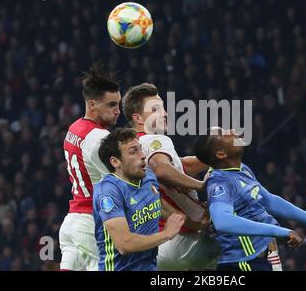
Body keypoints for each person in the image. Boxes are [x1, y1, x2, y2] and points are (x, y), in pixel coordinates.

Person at [193, 127, 306, 271]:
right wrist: (281, 232)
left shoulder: (242, 169)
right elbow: (222, 221)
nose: (232, 130)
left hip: (258, 259)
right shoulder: (219, 182)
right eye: (224, 134)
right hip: (241, 263)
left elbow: (270, 201)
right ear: (221, 153)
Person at [122, 83, 220, 270]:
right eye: (155, 109)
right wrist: (201, 185)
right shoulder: (156, 140)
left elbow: (182, 166)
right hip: (185, 240)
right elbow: (163, 170)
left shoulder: (133, 149)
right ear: (138, 118)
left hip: (155, 245)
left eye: (163, 107)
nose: (164, 113)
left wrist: (216, 153)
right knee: (255, 241)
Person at [93, 128, 184, 271]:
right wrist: (166, 234)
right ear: (115, 162)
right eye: (133, 151)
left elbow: (156, 205)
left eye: (141, 149)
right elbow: (124, 244)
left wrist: (184, 219)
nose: (143, 156)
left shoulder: (148, 177)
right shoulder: (108, 191)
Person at [59, 63, 121, 271]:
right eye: (111, 105)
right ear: (92, 105)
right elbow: (123, 182)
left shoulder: (74, 128)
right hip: (92, 225)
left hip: (71, 223)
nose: (118, 111)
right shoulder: (100, 138)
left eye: (118, 104)